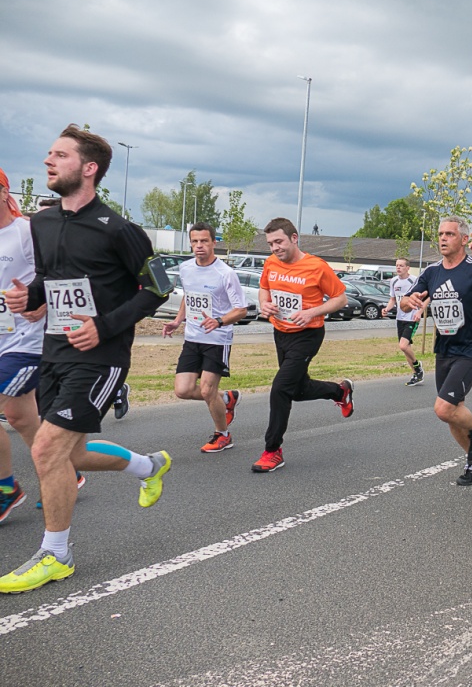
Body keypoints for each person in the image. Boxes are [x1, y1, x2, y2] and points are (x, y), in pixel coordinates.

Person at [0, 126, 173, 593]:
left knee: (45, 449)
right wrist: (29, 296)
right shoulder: (44, 222)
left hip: (101, 356)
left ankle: (55, 554)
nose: (47, 162)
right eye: (48, 154)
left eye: (59, 155)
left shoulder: (120, 229)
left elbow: (160, 287)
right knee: (69, 454)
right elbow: (52, 278)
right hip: (53, 351)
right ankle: (148, 466)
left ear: (89, 168)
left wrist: (106, 325)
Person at [401, 216, 472, 486]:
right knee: (453, 413)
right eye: (440, 234)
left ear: (464, 239)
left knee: (444, 408)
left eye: (449, 234)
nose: (442, 238)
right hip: (445, 347)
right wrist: (408, 301)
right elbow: (406, 304)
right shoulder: (432, 272)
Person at [253, 217, 354, 473]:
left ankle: (272, 450)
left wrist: (312, 312)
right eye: (270, 243)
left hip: (308, 335)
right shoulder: (271, 263)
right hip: (281, 333)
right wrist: (264, 304)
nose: (275, 248)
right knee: (296, 391)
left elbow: (340, 299)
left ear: (294, 238)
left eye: (279, 241)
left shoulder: (316, 266)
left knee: (280, 389)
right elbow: (264, 289)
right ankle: (339, 392)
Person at [161, 222, 247, 453]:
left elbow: (241, 310)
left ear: (213, 243)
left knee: (208, 391)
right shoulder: (186, 268)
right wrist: (178, 321)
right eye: (195, 241)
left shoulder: (225, 273)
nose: (199, 246)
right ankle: (227, 399)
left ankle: (223, 435)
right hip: (193, 338)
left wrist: (218, 321)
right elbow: (188, 297)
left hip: (217, 339)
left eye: (204, 241)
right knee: (183, 390)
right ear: (190, 243)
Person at [0, 167, 46, 525]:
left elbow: (63, 270)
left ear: (5, 192)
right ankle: (63, 469)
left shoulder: (27, 231)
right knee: (21, 417)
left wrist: (44, 302)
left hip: (26, 339)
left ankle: (7, 488)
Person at [383, 258, 424, 386]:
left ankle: (417, 366)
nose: (398, 268)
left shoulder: (414, 280)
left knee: (403, 345)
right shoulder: (394, 281)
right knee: (406, 348)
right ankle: (416, 374)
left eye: (401, 266)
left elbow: (423, 299)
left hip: (412, 318)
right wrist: (386, 309)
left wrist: (419, 312)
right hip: (400, 318)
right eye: (396, 266)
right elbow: (393, 299)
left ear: (407, 268)